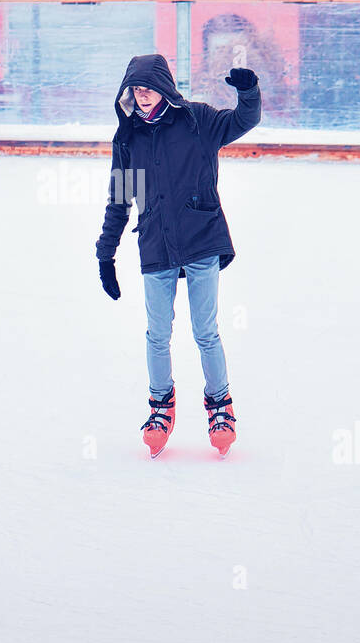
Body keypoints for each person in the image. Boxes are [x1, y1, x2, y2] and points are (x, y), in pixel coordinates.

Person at [95, 54, 260, 459]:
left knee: (205, 331)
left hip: (202, 237)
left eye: (147, 87)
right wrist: (106, 254)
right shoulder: (129, 138)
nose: (142, 95)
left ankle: (220, 406)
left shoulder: (197, 121)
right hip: (156, 243)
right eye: (135, 89)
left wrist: (248, 91)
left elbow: (243, 120)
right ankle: (160, 408)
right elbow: (120, 201)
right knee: (157, 334)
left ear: (164, 87)